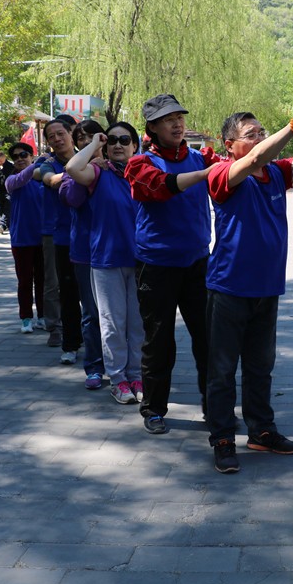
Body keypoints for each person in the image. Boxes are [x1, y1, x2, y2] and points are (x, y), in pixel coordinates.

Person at [204, 104, 293, 474]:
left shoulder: (276, 173)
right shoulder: (223, 174)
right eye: (251, 134)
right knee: (221, 370)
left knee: (260, 366)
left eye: (262, 132)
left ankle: (261, 430)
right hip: (228, 288)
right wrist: (292, 126)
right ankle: (221, 437)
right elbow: (252, 162)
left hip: (266, 289)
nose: (260, 138)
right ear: (229, 143)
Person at [124, 94, 222, 435]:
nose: (177, 124)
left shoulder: (199, 157)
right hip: (156, 266)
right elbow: (163, 187)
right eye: (169, 120)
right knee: (159, 340)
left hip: (198, 263)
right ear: (152, 128)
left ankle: (215, 409)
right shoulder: (139, 164)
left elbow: (230, 171)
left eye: (179, 117)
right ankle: (153, 409)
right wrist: (205, 173)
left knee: (207, 340)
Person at [66, 123, 144, 404]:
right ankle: (118, 379)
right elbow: (73, 168)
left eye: (125, 139)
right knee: (112, 324)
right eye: (112, 140)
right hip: (106, 261)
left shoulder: (144, 174)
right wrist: (93, 145)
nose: (118, 145)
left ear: (135, 145)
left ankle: (136, 375)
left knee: (136, 324)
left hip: (140, 261)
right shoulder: (98, 172)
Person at [59, 120, 107, 390]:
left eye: (94, 137)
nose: (90, 142)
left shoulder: (120, 167)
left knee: (123, 314)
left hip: (119, 251)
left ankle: (124, 366)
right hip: (86, 252)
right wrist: (87, 167)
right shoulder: (72, 172)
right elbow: (73, 199)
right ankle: (95, 366)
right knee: (91, 312)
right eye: (82, 139)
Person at [38, 118, 83, 364]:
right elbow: (50, 180)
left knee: (94, 297)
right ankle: (71, 344)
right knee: (67, 292)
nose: (57, 138)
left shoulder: (90, 155)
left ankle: (96, 343)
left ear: (70, 133)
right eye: (51, 136)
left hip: (91, 236)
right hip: (64, 237)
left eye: (60, 133)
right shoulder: (47, 164)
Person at [3, 142, 45, 332]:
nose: (20, 159)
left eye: (24, 154)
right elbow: (21, 178)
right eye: (16, 157)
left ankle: (44, 316)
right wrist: (37, 164)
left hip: (44, 238)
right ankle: (26, 317)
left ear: (31, 155)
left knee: (44, 281)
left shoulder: (44, 178)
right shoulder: (12, 181)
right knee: (25, 280)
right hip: (21, 239)